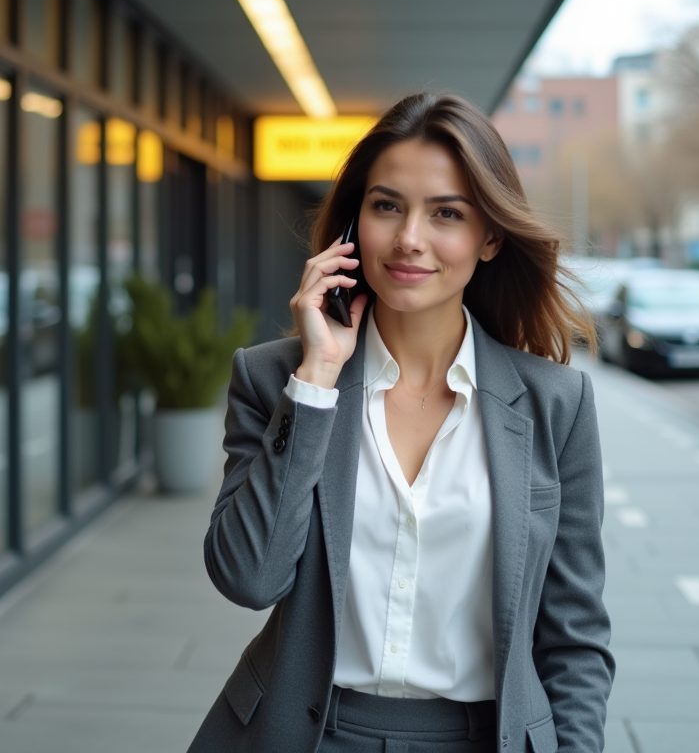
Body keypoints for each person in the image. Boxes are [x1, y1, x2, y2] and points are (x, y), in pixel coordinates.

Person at [189, 93, 614, 753]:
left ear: (491, 236)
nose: (410, 237)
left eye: (446, 213)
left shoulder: (555, 406)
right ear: (354, 226)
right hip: (305, 736)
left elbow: (575, 640)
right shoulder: (276, 380)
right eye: (387, 206)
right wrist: (316, 381)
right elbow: (248, 577)